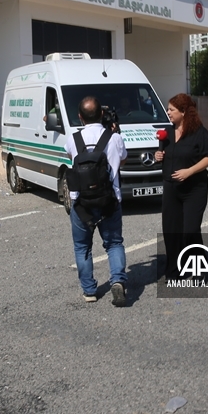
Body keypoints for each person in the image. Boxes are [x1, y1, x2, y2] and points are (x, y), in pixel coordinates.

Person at [64, 96, 128, 306]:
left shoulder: (73, 139)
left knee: (82, 247)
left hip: (82, 203)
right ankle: (118, 281)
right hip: (109, 201)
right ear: (102, 114)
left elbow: (69, 154)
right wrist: (114, 131)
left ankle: (89, 291)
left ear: (80, 117)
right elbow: (123, 159)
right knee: (114, 243)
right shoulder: (114, 138)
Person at [155, 94, 208, 279]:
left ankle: (199, 267)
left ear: (183, 111)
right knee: (171, 230)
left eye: (171, 109)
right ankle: (174, 269)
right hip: (171, 188)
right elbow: (163, 153)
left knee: (190, 229)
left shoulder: (198, 132)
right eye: (168, 109)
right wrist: (158, 155)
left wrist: (189, 171)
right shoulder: (166, 132)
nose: (168, 113)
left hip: (194, 188)